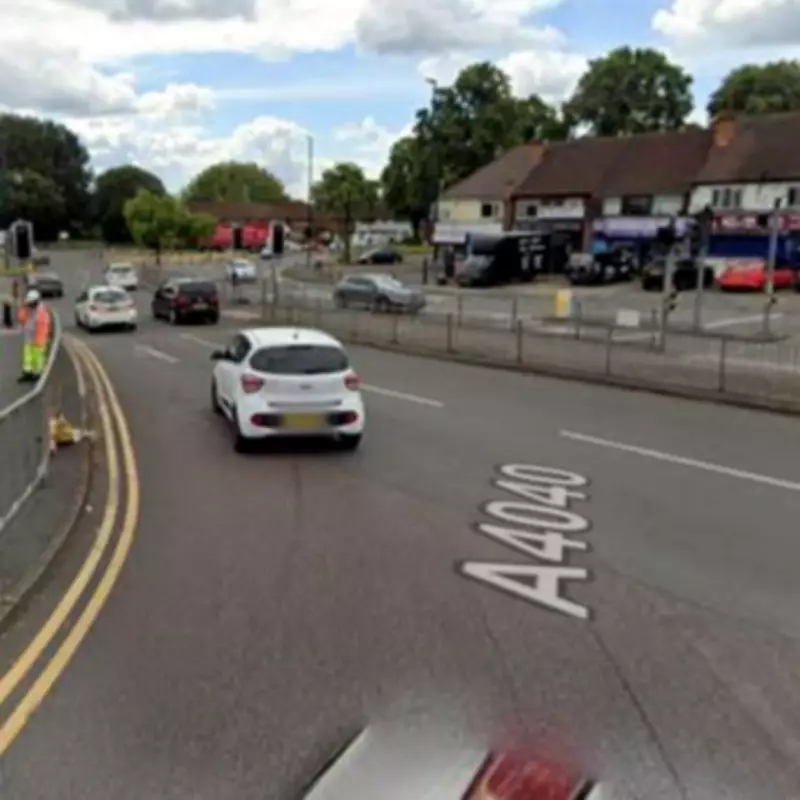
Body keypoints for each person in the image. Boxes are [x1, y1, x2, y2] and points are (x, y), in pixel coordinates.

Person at [17, 289, 52, 383]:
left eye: (31, 303)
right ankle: (27, 373)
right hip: (29, 337)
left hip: (38, 339)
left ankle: (37, 374)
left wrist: (41, 340)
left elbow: (44, 326)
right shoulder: (27, 309)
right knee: (27, 357)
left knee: (38, 357)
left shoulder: (42, 311)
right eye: (29, 303)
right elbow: (21, 318)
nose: (30, 305)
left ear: (36, 301)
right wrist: (24, 308)